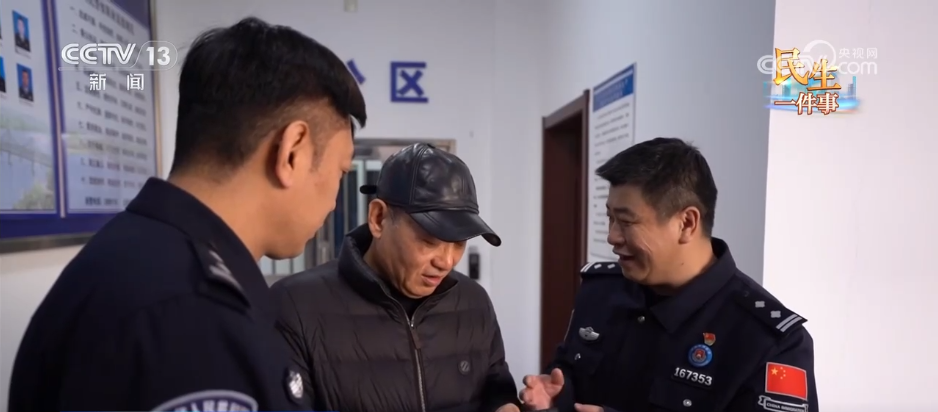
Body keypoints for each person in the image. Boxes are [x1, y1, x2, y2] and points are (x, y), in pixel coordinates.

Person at [7, 17, 366, 412]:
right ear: (292, 152)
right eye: (341, 172)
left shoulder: (134, 256)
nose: (334, 202)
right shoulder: (192, 320)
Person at [520, 138, 817, 412]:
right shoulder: (600, 291)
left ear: (686, 223)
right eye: (610, 217)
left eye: (626, 222)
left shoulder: (771, 343)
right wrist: (557, 395)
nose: (612, 236)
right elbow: (569, 371)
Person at [271, 143, 520, 412]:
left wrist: (507, 405)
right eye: (429, 241)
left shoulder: (474, 301)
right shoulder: (296, 306)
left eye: (459, 243)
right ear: (378, 219)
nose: (446, 262)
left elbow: (496, 385)